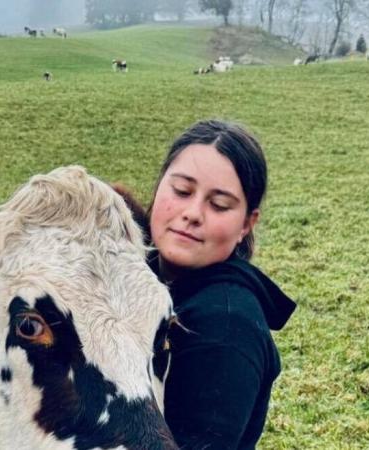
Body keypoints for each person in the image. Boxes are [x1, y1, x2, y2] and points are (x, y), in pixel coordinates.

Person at [147, 119, 297, 449]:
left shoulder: (224, 327)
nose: (193, 213)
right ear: (158, 187)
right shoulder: (144, 280)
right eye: (182, 191)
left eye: (219, 205)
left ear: (246, 223)